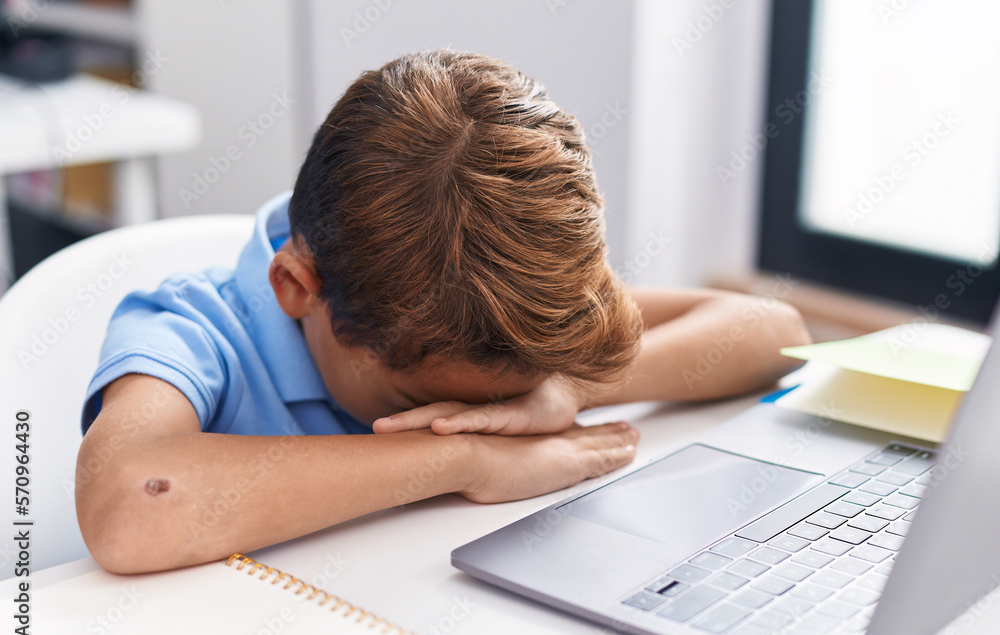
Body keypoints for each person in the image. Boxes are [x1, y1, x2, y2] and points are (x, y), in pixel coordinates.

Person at [76, 50, 810, 574]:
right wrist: (465, 456)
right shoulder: (191, 328)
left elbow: (775, 335)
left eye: (493, 402)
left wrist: (559, 393)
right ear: (300, 287)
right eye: (426, 403)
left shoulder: (494, 297)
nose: (470, 413)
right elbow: (131, 508)